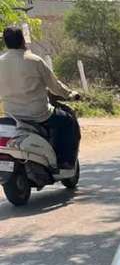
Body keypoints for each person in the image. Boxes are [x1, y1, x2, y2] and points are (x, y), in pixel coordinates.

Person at [0, 25, 80, 172]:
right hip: (38, 115)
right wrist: (70, 94)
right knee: (68, 121)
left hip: (11, 115)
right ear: (23, 40)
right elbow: (55, 86)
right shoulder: (34, 60)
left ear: (6, 42)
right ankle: (65, 162)